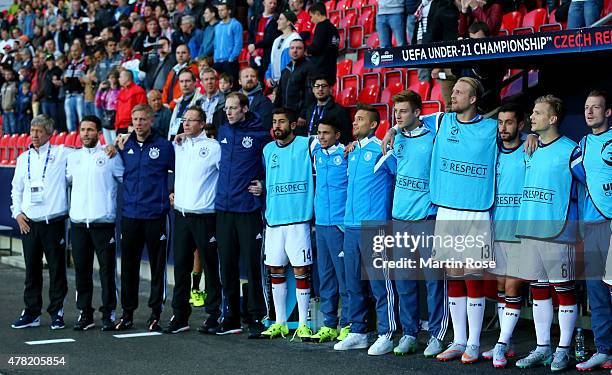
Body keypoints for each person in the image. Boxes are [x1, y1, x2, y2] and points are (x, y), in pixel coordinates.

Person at [514, 95, 579, 371]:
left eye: (538, 113)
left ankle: (563, 349)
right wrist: (530, 135)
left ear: (553, 119)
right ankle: (543, 347)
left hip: (559, 230)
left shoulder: (572, 150)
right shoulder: (530, 146)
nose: (532, 116)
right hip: (530, 228)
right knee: (538, 289)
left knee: (563, 290)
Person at [333, 104, 398, 356]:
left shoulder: (382, 150)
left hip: (374, 226)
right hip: (350, 226)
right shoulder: (353, 152)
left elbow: (398, 177)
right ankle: (358, 331)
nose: (355, 123)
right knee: (353, 284)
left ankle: (387, 333)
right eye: (354, 119)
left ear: (373, 124)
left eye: (361, 119)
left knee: (380, 284)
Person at [388, 90, 448, 357]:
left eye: (403, 111)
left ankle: (437, 334)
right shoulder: (395, 140)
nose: (398, 116)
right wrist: (392, 129)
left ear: (417, 113)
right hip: (399, 219)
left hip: (426, 218)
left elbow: (448, 116)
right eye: (395, 112)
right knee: (404, 281)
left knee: (434, 281)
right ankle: (409, 333)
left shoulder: (434, 135)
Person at [252, 108, 314, 340]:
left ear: (293, 124)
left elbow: (331, 144)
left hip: (299, 220)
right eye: (274, 121)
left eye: (282, 122)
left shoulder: (307, 145)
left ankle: (304, 323)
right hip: (274, 220)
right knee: (275, 269)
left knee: (300, 270)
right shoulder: (268, 150)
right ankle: (279, 322)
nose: (277, 126)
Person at [214, 92, 271, 337]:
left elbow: (273, 164)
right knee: (226, 265)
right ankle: (230, 316)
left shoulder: (260, 136)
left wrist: (264, 185)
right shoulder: (223, 132)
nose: (228, 112)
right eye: (227, 108)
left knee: (252, 265)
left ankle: (257, 316)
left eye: (233, 108)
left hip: (248, 209)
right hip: (224, 209)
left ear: (245, 109)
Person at [114, 104, 175, 332]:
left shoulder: (164, 146)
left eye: (143, 119)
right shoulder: (124, 144)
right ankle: (127, 313)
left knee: (158, 267)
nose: (139, 123)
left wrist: (173, 189)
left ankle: (155, 314)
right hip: (130, 215)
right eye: (135, 119)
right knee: (128, 266)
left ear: (151, 121)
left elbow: (182, 169)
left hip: (156, 215)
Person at [165, 106, 222, 334]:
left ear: (202, 123)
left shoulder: (213, 147)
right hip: (181, 215)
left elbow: (224, 176)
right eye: (184, 120)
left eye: (191, 120)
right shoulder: (178, 145)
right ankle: (180, 316)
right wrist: (172, 189)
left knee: (210, 266)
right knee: (181, 267)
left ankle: (214, 315)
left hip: (205, 217)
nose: (186, 124)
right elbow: (172, 172)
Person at [10, 115, 70, 330]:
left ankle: (57, 312)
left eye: (39, 131)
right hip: (29, 223)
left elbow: (87, 155)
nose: (34, 135)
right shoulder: (22, 158)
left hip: (52, 222)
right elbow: (16, 190)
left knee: (56, 270)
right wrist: (17, 214)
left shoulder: (62, 154)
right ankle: (32, 312)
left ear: (49, 133)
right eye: (32, 130)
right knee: (31, 271)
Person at [66, 115, 124, 332]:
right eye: (83, 130)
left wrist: (116, 147)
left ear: (98, 132)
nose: (86, 133)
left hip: (103, 223)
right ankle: (85, 313)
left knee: (107, 271)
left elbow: (124, 178)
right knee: (81, 271)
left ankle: (108, 313)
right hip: (79, 223)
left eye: (90, 130)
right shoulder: (73, 158)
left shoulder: (110, 155)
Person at [481, 103, 526, 367]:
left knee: (512, 286)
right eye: (500, 123)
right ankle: (505, 342)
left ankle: (499, 345)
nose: (503, 128)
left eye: (509, 122)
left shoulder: (529, 150)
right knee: (500, 287)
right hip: (497, 229)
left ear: (520, 125)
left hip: (521, 232)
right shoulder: (492, 153)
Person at [570, 90, 612, 371]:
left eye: (596, 107)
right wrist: (530, 137)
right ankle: (604, 350)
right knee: (596, 293)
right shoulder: (580, 147)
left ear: (608, 112)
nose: (590, 112)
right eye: (586, 107)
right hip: (593, 227)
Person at [308, 117, 349, 343]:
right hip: (321, 224)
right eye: (319, 133)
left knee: (344, 278)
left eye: (326, 133)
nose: (321, 137)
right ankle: (329, 324)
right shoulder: (315, 152)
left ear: (337, 135)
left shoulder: (346, 154)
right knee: (325, 277)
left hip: (339, 225)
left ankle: (348, 323)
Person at [299, 75, 352, 144]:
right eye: (317, 86)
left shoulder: (339, 110)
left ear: (330, 89)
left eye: (323, 86)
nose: (320, 89)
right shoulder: (309, 109)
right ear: (313, 90)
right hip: (310, 148)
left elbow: (346, 135)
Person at [274, 39, 314, 118]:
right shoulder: (285, 70)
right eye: (292, 48)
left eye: (299, 48)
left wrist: (303, 115)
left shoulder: (309, 67)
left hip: (299, 115)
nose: (295, 51)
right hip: (284, 113)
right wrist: (275, 111)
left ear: (304, 51)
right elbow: (279, 93)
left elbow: (310, 94)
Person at [264, 10, 301, 88]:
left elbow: (294, 63)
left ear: (288, 22)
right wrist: (268, 76)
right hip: (276, 83)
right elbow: (272, 61)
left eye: (280, 19)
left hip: (288, 83)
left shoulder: (295, 39)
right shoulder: (277, 40)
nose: (277, 21)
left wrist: (284, 79)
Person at [247, 0, 281, 83]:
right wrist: (252, 48)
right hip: (254, 53)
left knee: (265, 80)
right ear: (264, 3)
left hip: (268, 54)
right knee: (253, 79)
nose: (272, 5)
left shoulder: (277, 19)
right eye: (270, 3)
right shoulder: (256, 17)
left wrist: (256, 46)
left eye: (275, 3)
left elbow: (272, 38)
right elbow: (250, 34)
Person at [306, 2, 339, 83]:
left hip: (321, 70)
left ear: (317, 14)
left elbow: (316, 47)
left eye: (311, 17)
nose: (311, 20)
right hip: (331, 70)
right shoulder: (334, 28)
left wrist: (306, 50)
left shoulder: (321, 26)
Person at [168, 68, 204, 140]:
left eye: (187, 81)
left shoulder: (201, 101)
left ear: (195, 83)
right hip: (175, 142)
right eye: (181, 81)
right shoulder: (178, 102)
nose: (184, 84)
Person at [213, 2, 243, 88]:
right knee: (218, 87)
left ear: (229, 11)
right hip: (218, 62)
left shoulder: (236, 25)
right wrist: (215, 59)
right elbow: (215, 45)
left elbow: (238, 44)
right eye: (219, 10)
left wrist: (231, 58)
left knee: (232, 87)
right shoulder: (217, 26)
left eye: (222, 10)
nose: (220, 12)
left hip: (230, 62)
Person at [161, 44, 199, 108]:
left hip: (180, 105)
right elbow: (166, 87)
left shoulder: (193, 69)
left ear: (189, 55)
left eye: (183, 53)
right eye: (178, 53)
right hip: (168, 106)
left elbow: (185, 91)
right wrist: (164, 103)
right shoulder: (173, 70)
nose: (180, 55)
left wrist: (171, 105)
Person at [115, 68, 147, 135]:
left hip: (132, 127)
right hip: (120, 127)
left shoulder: (139, 91)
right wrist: (116, 126)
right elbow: (117, 112)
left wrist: (135, 125)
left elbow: (142, 110)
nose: (118, 79)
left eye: (120, 77)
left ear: (127, 78)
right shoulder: (121, 92)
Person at [63, 43, 87, 132]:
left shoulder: (85, 63)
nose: (74, 53)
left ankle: (83, 137)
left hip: (79, 94)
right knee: (69, 119)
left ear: (80, 51)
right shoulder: (69, 64)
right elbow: (64, 79)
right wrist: (64, 79)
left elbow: (86, 79)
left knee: (82, 118)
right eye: (72, 51)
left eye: (76, 51)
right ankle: (72, 139)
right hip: (69, 95)